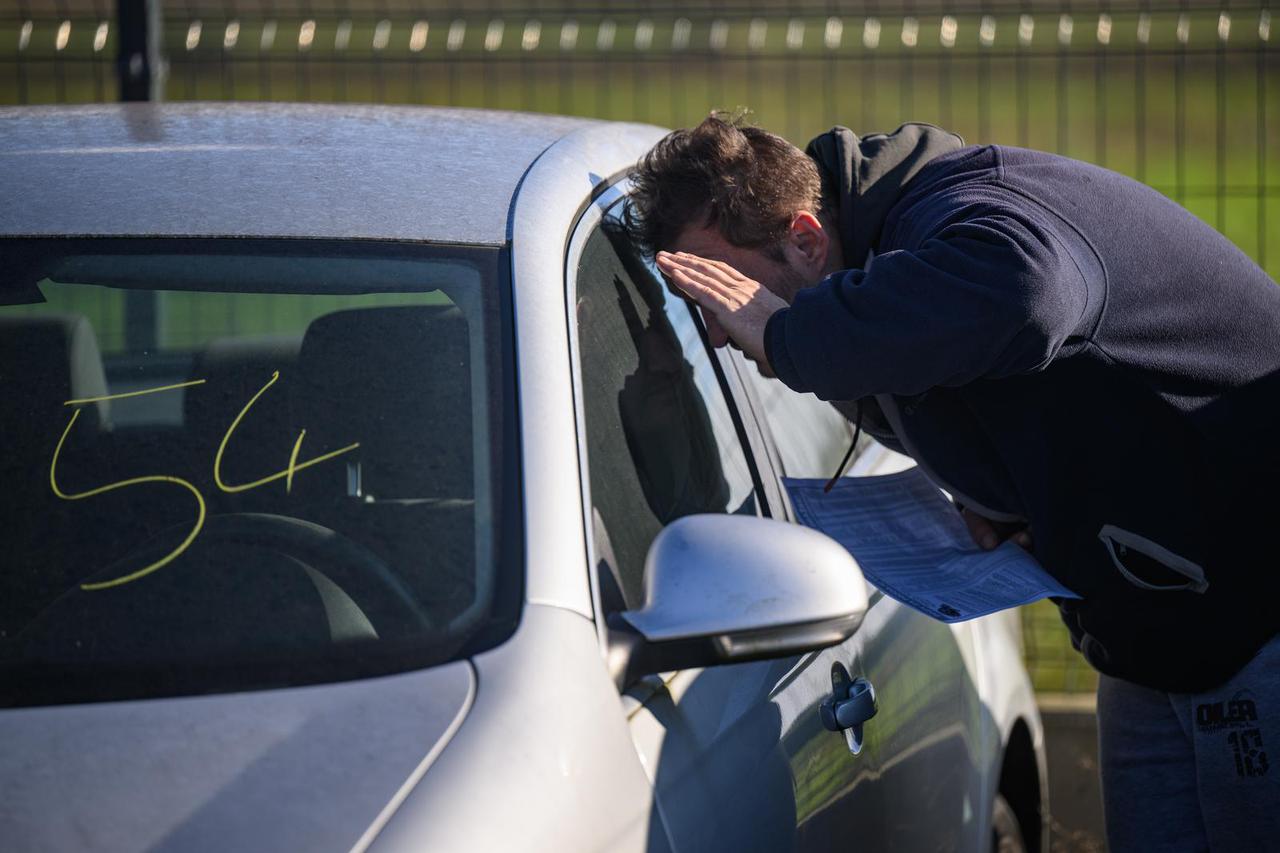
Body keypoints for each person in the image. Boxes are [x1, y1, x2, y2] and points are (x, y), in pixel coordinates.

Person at [626, 112, 1280, 851]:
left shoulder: (971, 212)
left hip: (1253, 604)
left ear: (807, 237)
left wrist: (785, 333)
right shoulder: (870, 273)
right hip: (1154, 622)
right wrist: (1006, 496)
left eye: (727, 289)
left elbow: (1027, 293)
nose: (720, 328)